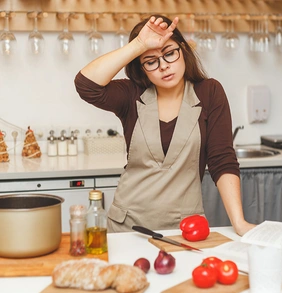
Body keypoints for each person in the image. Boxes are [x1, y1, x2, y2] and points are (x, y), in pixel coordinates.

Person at [74, 15, 255, 236]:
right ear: (142, 69)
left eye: (169, 53)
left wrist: (239, 223)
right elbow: (86, 85)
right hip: (127, 227)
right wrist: (139, 45)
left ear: (183, 50)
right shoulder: (132, 94)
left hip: (185, 228)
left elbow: (222, 160)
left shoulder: (209, 92)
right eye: (151, 61)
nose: (164, 66)